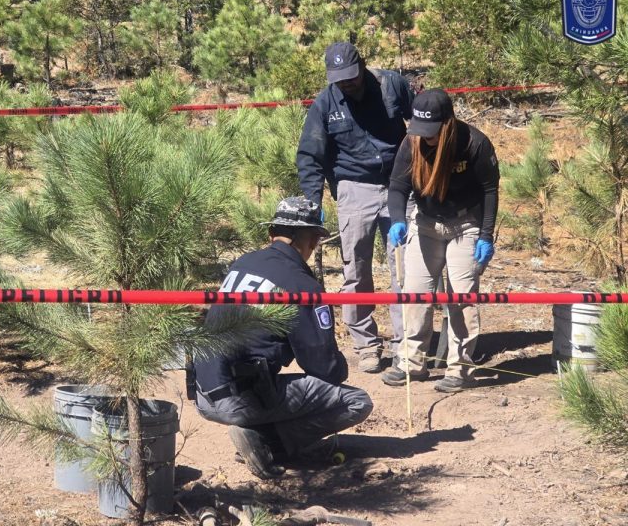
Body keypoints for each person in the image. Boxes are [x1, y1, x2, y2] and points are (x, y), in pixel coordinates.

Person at [192, 197, 373, 479]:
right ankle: (267, 443)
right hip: (240, 398)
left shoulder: (243, 262)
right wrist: (340, 367)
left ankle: (257, 433)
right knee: (357, 402)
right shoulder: (301, 285)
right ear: (311, 240)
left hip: (203, 393)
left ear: (271, 234)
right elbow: (322, 366)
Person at [296, 41, 415, 373]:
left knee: (403, 267)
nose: (347, 83)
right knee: (356, 270)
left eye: (351, 76)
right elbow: (310, 155)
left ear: (362, 66)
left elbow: (421, 122)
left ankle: (407, 344)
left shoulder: (392, 85)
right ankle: (366, 345)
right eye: (340, 79)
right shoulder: (325, 104)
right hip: (353, 187)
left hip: (398, 183)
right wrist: (312, 201)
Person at [381, 88, 500, 393]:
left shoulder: (474, 143)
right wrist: (397, 219)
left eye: (431, 131)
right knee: (415, 294)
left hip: (466, 224)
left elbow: (490, 190)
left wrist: (486, 235)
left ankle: (459, 368)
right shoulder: (412, 143)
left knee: (461, 297)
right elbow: (397, 186)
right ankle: (411, 364)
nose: (425, 136)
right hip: (425, 224)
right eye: (420, 130)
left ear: (447, 123)